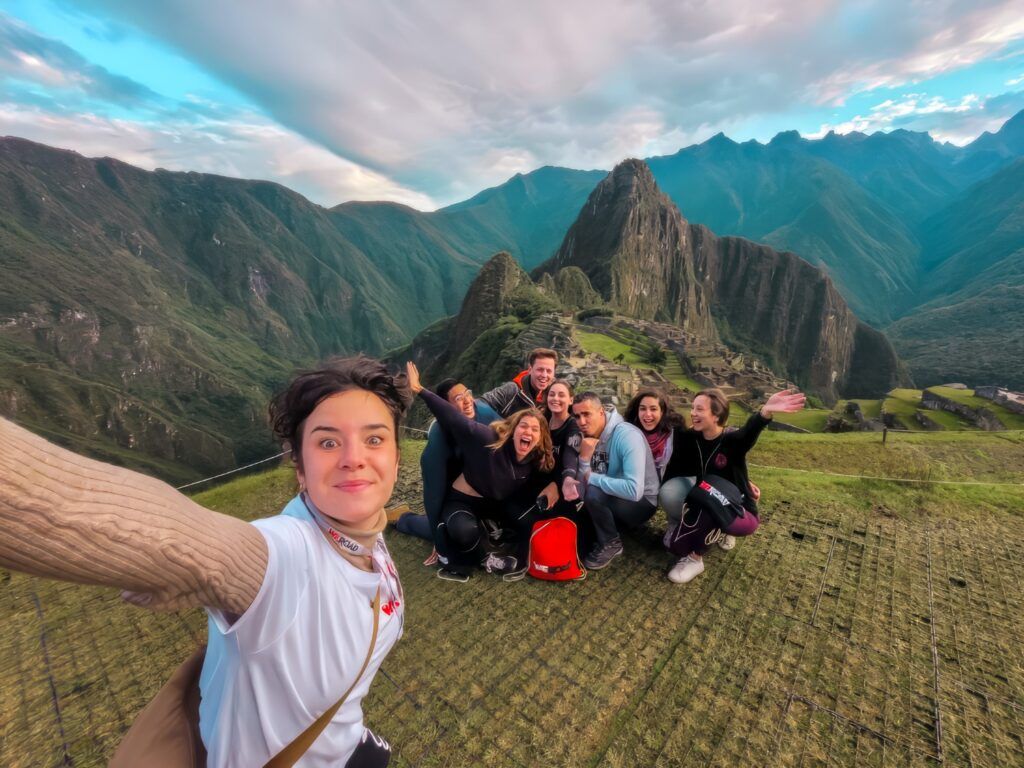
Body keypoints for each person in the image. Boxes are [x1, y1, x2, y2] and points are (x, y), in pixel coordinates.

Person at [0, 356, 411, 767]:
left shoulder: (368, 536)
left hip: (345, 744)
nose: (354, 458)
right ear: (300, 469)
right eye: (328, 443)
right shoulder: (281, 559)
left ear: (395, 460)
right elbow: (174, 540)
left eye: (374, 439)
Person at [405, 361, 555, 580]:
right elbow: (452, 419)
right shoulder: (484, 438)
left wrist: (555, 484)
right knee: (456, 532)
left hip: (493, 501)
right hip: (461, 500)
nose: (528, 432)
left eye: (534, 429)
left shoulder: (534, 454)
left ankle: (487, 529)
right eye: (523, 426)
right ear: (513, 429)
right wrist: (419, 389)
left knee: (522, 519)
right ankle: (403, 519)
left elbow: (552, 469)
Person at [660, 387, 805, 584]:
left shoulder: (732, 441)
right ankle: (711, 531)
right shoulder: (693, 438)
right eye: (693, 408)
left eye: (700, 409)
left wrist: (765, 413)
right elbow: (672, 431)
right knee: (676, 543)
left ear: (716, 415)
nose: (693, 413)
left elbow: (748, 434)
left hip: (739, 509)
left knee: (708, 506)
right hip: (709, 497)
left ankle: (695, 559)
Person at [393, 378, 498, 548]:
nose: (467, 401)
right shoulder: (439, 438)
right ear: (445, 406)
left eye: (468, 394)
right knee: (452, 533)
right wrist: (439, 541)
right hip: (455, 498)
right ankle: (403, 518)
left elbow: (512, 438)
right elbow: (433, 494)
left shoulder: (486, 413)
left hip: (485, 489)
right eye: (458, 398)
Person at [570, 391, 660, 570]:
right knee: (577, 527)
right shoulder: (586, 437)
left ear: (601, 412)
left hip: (642, 504)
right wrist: (584, 460)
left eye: (587, 414)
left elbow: (634, 490)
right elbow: (580, 492)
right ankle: (608, 528)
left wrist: (592, 477)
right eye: (577, 416)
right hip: (611, 496)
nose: (582, 422)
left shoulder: (627, 435)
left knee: (594, 492)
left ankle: (611, 543)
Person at [504, 379, 585, 570]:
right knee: (506, 503)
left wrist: (560, 482)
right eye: (552, 394)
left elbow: (570, 456)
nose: (556, 398)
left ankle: (526, 555)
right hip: (537, 480)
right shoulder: (542, 419)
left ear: (570, 400)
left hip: (560, 486)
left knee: (526, 518)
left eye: (561, 395)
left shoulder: (572, 427)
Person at [479, 347, 558, 417]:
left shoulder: (555, 394)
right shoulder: (512, 390)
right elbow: (480, 405)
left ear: (554, 373)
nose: (544, 375)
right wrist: (500, 425)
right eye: (540, 370)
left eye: (549, 371)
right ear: (530, 370)